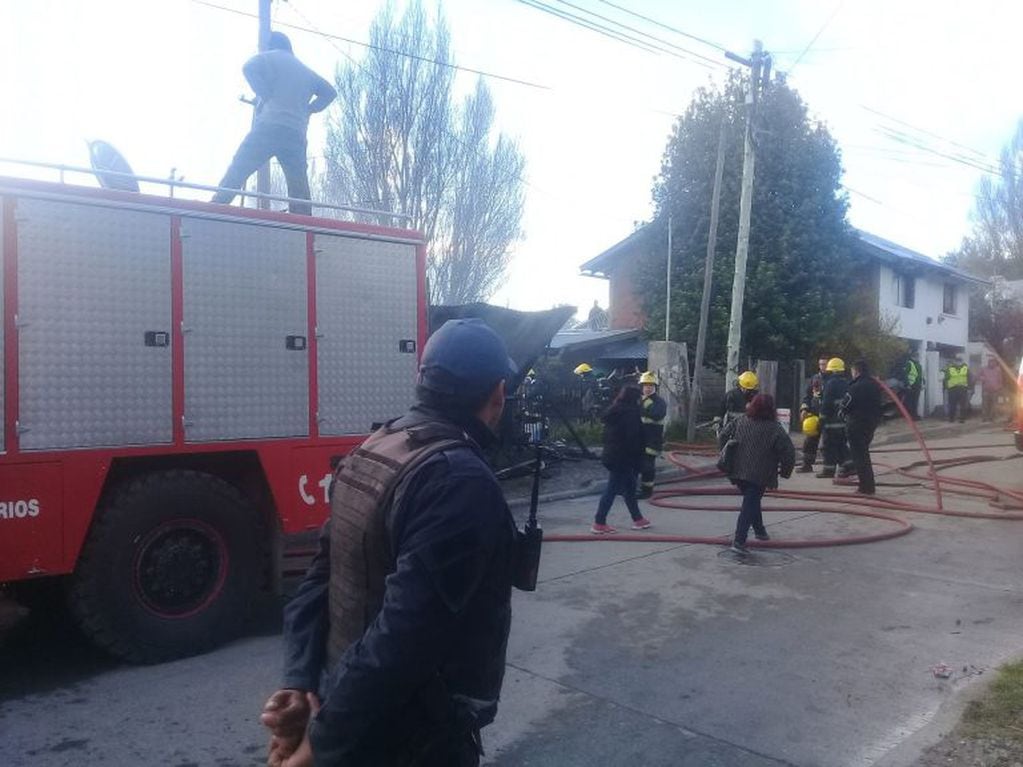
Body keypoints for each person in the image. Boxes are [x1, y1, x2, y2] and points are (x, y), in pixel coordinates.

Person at [261, 318, 517, 767]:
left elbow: (320, 576)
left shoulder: (377, 447)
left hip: (348, 703)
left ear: (423, 380)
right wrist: (321, 744)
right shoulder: (459, 480)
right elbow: (404, 635)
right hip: (409, 736)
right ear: (497, 394)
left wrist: (299, 683)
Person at [212, 32, 336, 215]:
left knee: (240, 165)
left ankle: (217, 205)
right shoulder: (305, 71)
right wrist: (309, 109)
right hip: (295, 133)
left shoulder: (272, 56)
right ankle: (302, 219)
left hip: (269, 127)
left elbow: (248, 67)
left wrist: (264, 92)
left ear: (271, 46)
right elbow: (330, 93)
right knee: (298, 183)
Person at [718, 393, 795, 554]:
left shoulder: (740, 421)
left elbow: (723, 434)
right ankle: (739, 541)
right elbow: (788, 452)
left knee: (752, 501)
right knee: (750, 503)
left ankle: (760, 531)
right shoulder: (775, 429)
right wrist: (785, 472)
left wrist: (726, 453)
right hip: (760, 475)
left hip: (737, 472)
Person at [591, 386, 652, 533]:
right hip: (623, 458)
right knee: (612, 489)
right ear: (635, 398)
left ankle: (638, 519)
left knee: (629, 488)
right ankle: (599, 522)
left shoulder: (615, 410)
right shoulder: (630, 413)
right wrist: (638, 459)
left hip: (613, 455)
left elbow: (607, 436)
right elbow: (633, 439)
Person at [842, 360, 883, 495]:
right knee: (864, 454)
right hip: (871, 424)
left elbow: (846, 405)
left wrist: (841, 412)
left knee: (860, 457)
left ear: (856, 371)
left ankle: (865, 488)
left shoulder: (855, 387)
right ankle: (868, 486)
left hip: (856, 425)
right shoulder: (875, 385)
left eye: (852, 371)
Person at [817, 357, 851, 479]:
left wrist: (821, 419)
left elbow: (826, 404)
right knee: (841, 445)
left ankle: (828, 470)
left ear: (832, 371)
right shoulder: (846, 383)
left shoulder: (830, 383)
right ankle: (850, 466)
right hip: (843, 421)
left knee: (828, 446)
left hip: (831, 422)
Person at [637, 371, 667, 499]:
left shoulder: (659, 402)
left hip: (652, 440)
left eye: (651, 386)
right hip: (639, 439)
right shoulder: (639, 400)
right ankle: (633, 488)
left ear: (655, 387)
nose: (648, 388)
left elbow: (657, 414)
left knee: (647, 466)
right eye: (645, 385)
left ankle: (647, 491)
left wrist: (646, 405)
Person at [797, 357, 828, 472]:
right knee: (810, 441)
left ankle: (828, 467)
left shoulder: (832, 380)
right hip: (814, 415)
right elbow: (807, 396)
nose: (822, 367)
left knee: (827, 443)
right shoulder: (815, 378)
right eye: (821, 364)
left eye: (824, 364)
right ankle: (807, 465)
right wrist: (804, 409)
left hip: (828, 416)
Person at [943, 355, 970, 423]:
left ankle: (962, 418)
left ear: (962, 361)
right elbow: (946, 379)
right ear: (954, 361)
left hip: (962, 389)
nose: (958, 362)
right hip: (952, 389)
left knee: (963, 405)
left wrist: (969, 388)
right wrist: (947, 387)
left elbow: (970, 378)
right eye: (957, 361)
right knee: (952, 404)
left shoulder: (966, 368)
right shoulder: (950, 369)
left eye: (959, 361)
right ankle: (951, 418)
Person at [979, 357, 1004, 422]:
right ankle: (984, 417)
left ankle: (992, 417)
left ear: (995, 363)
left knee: (994, 405)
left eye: (993, 362)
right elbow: (979, 376)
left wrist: (999, 387)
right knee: (985, 404)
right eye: (991, 362)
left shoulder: (998, 370)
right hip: (986, 390)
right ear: (988, 362)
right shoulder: (983, 369)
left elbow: (1000, 379)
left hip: (995, 390)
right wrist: (982, 378)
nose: (992, 363)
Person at [902, 353, 923, 420]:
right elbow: (905, 375)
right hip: (911, 385)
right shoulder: (909, 363)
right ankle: (910, 416)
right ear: (913, 357)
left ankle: (914, 415)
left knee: (915, 402)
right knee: (910, 402)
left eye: (918, 357)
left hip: (918, 385)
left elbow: (921, 376)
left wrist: (922, 384)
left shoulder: (919, 365)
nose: (918, 358)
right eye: (916, 357)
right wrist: (907, 384)